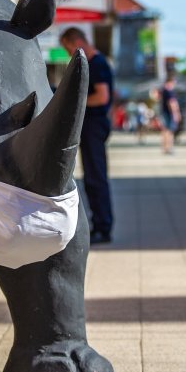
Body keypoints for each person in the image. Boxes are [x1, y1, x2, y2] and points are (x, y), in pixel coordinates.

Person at [59, 27, 114, 244]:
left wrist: (75, 102)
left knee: (96, 177)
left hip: (94, 125)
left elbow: (102, 97)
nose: (68, 53)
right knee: (93, 177)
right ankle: (100, 223)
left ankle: (103, 226)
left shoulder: (97, 64)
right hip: (93, 125)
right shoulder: (97, 63)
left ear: (76, 42)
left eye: (67, 48)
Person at [158, 74, 181, 154]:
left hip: (164, 112)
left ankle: (164, 148)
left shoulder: (163, 90)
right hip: (169, 113)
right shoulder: (170, 91)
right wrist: (175, 113)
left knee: (164, 130)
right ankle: (169, 147)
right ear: (171, 81)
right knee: (170, 131)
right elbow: (172, 103)